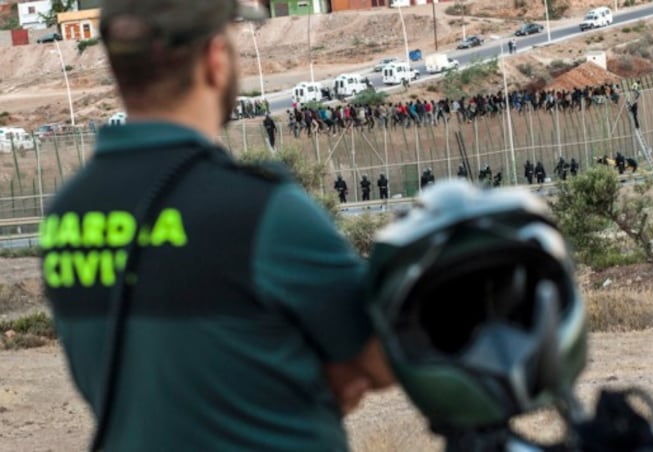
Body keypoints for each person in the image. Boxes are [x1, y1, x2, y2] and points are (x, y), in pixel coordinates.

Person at [39, 2, 393, 450]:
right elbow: (377, 361)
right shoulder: (260, 211)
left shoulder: (66, 212)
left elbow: (157, 376)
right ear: (215, 59)